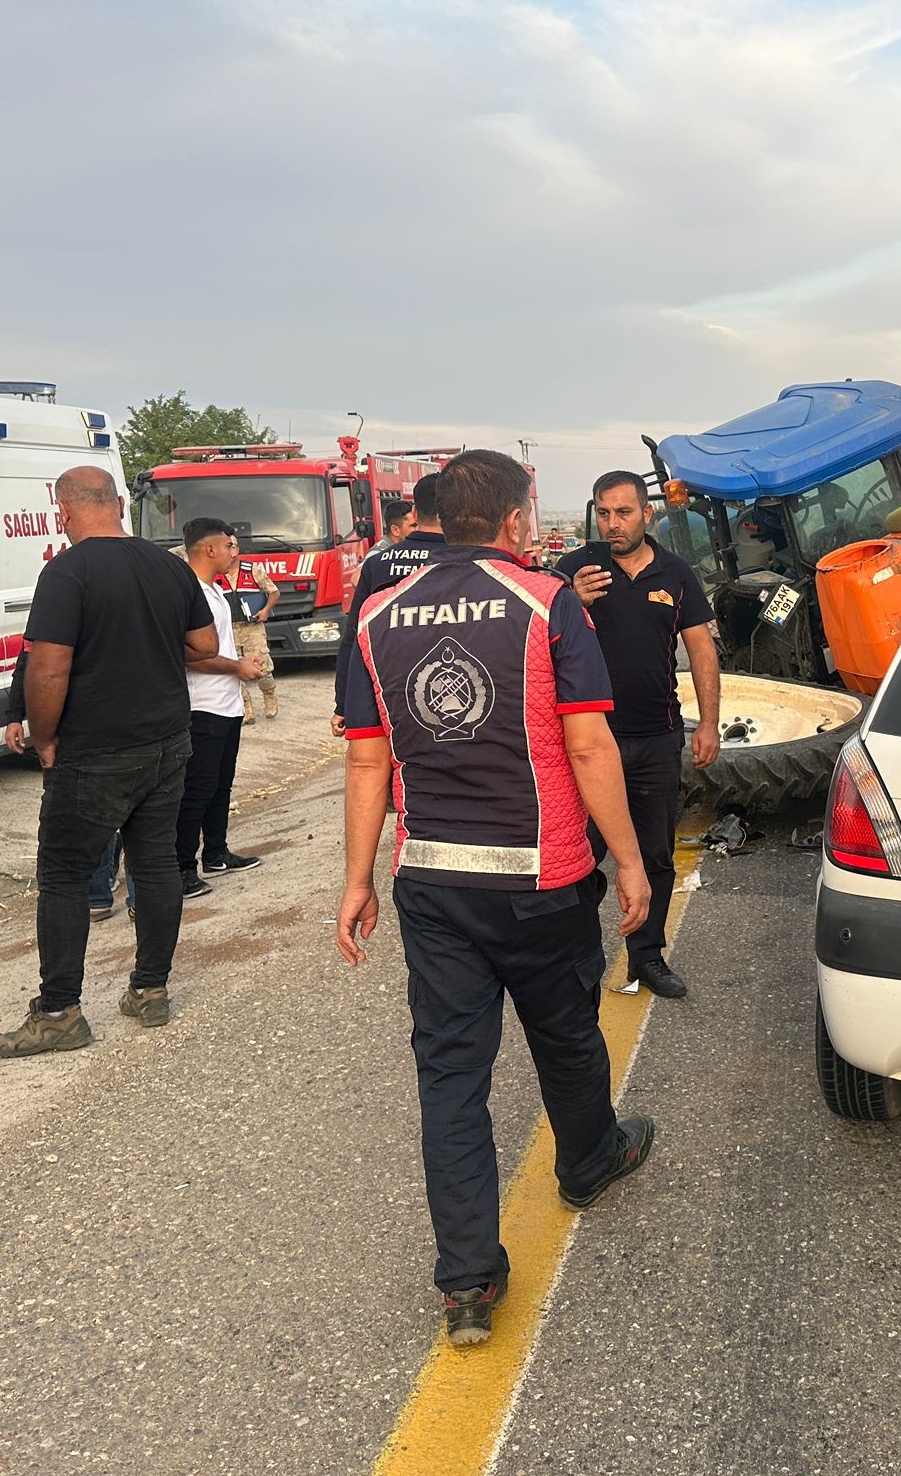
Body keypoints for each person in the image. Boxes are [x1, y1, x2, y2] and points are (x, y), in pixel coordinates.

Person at [335, 448, 656, 1349]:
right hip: (539, 877)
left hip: (432, 877)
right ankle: (589, 1160)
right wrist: (629, 861)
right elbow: (589, 747)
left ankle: (468, 1281)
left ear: (438, 517)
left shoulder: (378, 613)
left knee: (450, 1076)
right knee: (563, 1032)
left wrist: (358, 879)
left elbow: (366, 759)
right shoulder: (546, 601)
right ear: (516, 522)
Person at [0, 466, 217, 1056]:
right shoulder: (169, 565)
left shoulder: (67, 571)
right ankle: (150, 991)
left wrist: (44, 739)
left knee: (65, 878)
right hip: (168, 743)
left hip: (94, 752)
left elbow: (48, 666)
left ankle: (60, 1012)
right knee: (157, 865)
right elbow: (205, 646)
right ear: (118, 504)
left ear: (63, 512)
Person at [558, 470, 720, 998]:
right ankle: (577, 962)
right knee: (580, 856)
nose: (612, 524)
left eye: (623, 513)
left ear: (646, 514)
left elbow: (701, 649)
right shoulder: (573, 569)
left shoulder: (675, 574)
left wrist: (710, 723)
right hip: (588, 743)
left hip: (656, 737)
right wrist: (570, 601)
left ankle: (646, 958)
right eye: (603, 513)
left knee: (655, 856)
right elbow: (535, 636)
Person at [4, 645, 136, 921]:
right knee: (96, 813)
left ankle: (131, 898)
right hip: (78, 735)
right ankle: (100, 896)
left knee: (124, 812)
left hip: (116, 728)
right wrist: (14, 717)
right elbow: (28, 664)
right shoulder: (55, 614)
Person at [175, 517, 268, 894]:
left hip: (228, 702)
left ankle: (216, 852)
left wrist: (243, 666)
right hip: (202, 704)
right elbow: (185, 654)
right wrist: (236, 667)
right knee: (197, 788)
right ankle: (182, 868)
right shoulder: (187, 591)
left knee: (220, 785)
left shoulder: (214, 590)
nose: (235, 552)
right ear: (209, 548)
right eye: (230, 546)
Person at [331, 473, 442, 737]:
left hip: (388, 690)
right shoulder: (467, 562)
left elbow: (353, 636)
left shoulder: (377, 564)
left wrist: (343, 703)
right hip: (445, 687)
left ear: (415, 512)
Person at [231, 561, 280, 723]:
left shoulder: (252, 570)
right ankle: (246, 708)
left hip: (252, 628)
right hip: (229, 629)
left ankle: (269, 694)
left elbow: (274, 592)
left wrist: (265, 611)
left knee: (262, 666)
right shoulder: (216, 572)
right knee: (234, 669)